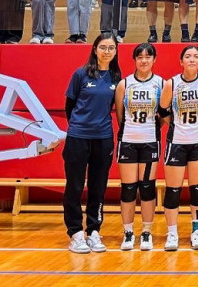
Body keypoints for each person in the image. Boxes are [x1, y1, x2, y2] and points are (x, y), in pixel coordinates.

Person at [63, 35, 121, 254]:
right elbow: (69, 106)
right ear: (95, 49)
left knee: (98, 187)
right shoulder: (80, 74)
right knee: (75, 185)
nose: (107, 51)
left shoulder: (116, 77)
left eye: (111, 48)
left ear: (116, 51)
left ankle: (94, 231)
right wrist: (79, 126)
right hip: (78, 137)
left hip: (103, 138)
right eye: (103, 47)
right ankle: (76, 233)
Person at [160, 45, 198, 251]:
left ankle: (197, 231)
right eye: (188, 56)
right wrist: (176, 125)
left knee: (197, 189)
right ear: (181, 61)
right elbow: (162, 110)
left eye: (196, 56)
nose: (192, 59)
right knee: (173, 190)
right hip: (177, 143)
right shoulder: (171, 83)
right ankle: (172, 233)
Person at [114, 42, 163, 251]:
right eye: (140, 57)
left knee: (147, 188)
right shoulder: (124, 84)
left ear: (154, 59)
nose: (144, 61)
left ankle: (146, 232)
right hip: (128, 141)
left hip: (150, 141)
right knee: (128, 189)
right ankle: (128, 232)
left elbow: (163, 116)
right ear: (134, 60)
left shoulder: (161, 83)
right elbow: (119, 115)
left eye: (148, 57)